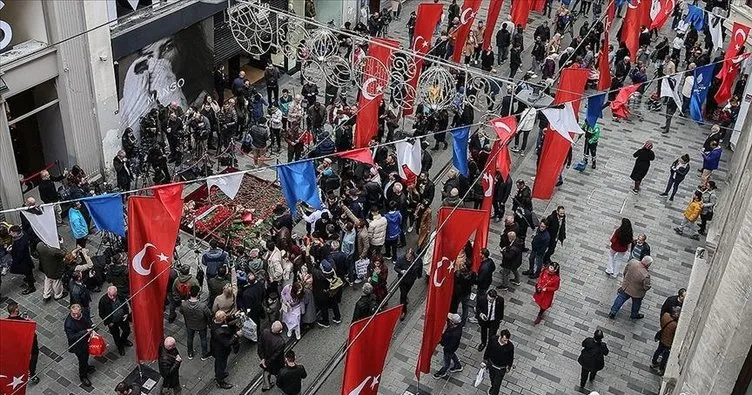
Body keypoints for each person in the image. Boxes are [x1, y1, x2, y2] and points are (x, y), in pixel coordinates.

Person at [7, 302, 40, 385]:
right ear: (15, 310)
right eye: (17, 308)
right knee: (33, 356)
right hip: (29, 343)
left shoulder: (7, 322)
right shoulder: (23, 322)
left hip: (18, 346)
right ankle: (31, 373)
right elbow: (33, 327)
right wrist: (29, 321)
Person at [64, 304, 95, 386]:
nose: (76, 316)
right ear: (71, 312)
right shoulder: (69, 324)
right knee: (82, 360)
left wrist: (91, 325)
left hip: (86, 340)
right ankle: (83, 376)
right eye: (74, 314)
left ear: (81, 311)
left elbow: (87, 319)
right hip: (79, 346)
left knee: (86, 357)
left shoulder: (84, 312)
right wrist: (85, 332)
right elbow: (71, 337)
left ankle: (87, 367)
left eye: (77, 313)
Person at [179, 285, 212, 360]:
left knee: (190, 338)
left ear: (190, 293)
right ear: (198, 294)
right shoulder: (202, 306)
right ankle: (204, 354)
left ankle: (190, 353)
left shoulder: (184, 304)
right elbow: (209, 314)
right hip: (201, 325)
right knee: (203, 339)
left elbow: (181, 311)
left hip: (189, 324)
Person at [98, 286, 132, 355]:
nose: (112, 297)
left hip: (122, 318)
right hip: (112, 322)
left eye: (114, 295)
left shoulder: (120, 295)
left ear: (116, 292)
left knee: (127, 330)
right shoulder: (103, 301)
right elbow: (101, 313)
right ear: (108, 293)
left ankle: (123, 340)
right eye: (111, 295)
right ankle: (120, 347)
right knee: (116, 335)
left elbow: (125, 305)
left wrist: (126, 314)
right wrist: (108, 322)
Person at [211, 310, 241, 389]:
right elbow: (227, 343)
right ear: (221, 319)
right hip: (220, 351)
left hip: (219, 349)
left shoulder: (216, 321)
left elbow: (226, 319)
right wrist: (236, 336)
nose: (226, 317)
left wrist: (234, 316)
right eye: (224, 316)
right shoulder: (219, 332)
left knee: (220, 364)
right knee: (220, 365)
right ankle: (220, 381)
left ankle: (220, 375)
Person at [482, 329, 514, 395]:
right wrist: (484, 360)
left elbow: (511, 357)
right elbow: (488, 349)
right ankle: (492, 388)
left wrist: (509, 366)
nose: (506, 342)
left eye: (507, 340)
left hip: (501, 368)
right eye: (504, 340)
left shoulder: (510, 346)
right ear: (501, 337)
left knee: (497, 384)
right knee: (492, 379)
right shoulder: (493, 339)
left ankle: (494, 392)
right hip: (492, 364)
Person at [651, 306, 681, 376]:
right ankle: (661, 369)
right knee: (665, 356)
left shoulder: (665, 315)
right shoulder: (675, 325)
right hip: (668, 342)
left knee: (658, 350)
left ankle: (654, 362)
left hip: (662, 338)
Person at [394, 248, 421, 320]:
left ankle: (405, 298)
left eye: (410, 255)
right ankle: (403, 310)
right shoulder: (400, 259)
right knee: (403, 295)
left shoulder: (417, 259)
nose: (408, 257)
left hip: (411, 279)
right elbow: (396, 267)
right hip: (402, 280)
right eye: (407, 255)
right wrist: (401, 271)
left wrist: (419, 275)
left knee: (406, 292)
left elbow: (419, 266)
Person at [433, 313, 464, 378]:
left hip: (448, 349)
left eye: (450, 319)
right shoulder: (455, 326)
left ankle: (442, 372)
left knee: (446, 363)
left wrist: (445, 347)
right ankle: (458, 366)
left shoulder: (455, 334)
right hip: (451, 348)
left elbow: (451, 344)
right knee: (452, 355)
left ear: (453, 322)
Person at [259, 321, 286, 391]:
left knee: (266, 371)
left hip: (265, 358)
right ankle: (281, 384)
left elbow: (260, 345)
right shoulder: (281, 342)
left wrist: (263, 358)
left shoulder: (265, 332)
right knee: (278, 373)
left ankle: (266, 385)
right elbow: (275, 356)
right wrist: (267, 362)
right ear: (280, 331)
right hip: (276, 362)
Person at [9, 225, 35, 294]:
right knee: (28, 272)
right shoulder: (23, 235)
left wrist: (11, 251)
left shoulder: (19, 242)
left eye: (11, 232)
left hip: (24, 261)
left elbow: (19, 254)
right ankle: (30, 279)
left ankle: (31, 287)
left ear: (15, 233)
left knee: (28, 272)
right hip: (26, 259)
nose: (10, 233)